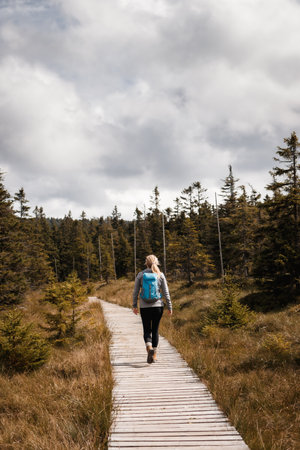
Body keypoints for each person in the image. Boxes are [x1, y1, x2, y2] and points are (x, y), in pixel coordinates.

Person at [132, 254, 172, 364]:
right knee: (155, 330)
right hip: (158, 306)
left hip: (144, 307)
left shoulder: (140, 275)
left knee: (146, 329)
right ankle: (154, 355)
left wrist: (134, 305)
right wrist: (169, 306)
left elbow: (135, 292)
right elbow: (166, 292)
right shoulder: (160, 275)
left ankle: (149, 348)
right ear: (157, 262)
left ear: (146, 263)